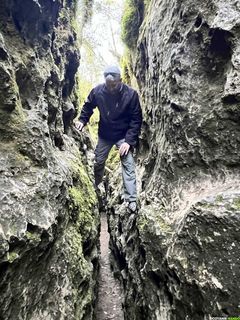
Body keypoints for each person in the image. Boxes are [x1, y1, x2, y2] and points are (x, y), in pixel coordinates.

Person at [75, 65, 142, 212]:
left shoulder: (131, 95)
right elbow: (88, 106)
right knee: (98, 162)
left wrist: (128, 142)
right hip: (105, 135)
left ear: (120, 80)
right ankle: (95, 189)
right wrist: (82, 120)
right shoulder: (98, 91)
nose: (111, 88)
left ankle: (131, 200)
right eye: (108, 85)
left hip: (123, 136)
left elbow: (136, 119)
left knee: (128, 163)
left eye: (114, 85)